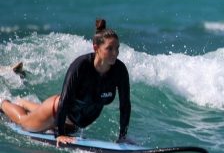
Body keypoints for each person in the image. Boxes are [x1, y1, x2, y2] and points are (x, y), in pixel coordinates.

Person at [2, 19, 131, 146]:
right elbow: (65, 100)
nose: (115, 53)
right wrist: (60, 134)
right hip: (55, 113)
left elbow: (125, 105)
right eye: (109, 49)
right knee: (23, 122)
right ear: (96, 47)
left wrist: (122, 137)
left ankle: (23, 102)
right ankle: (3, 103)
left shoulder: (119, 70)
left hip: (74, 124)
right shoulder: (81, 66)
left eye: (117, 48)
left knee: (36, 114)